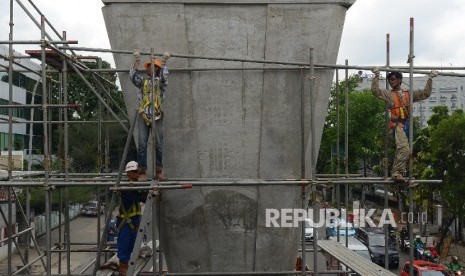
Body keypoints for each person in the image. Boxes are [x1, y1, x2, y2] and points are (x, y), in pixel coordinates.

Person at [371, 67, 438, 181]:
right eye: (389, 80)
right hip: (397, 125)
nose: (391, 82)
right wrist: (377, 76)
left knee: (407, 150)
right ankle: (397, 172)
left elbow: (425, 94)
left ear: (399, 80)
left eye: (393, 79)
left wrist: (430, 79)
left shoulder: (408, 94)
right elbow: (375, 91)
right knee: (404, 149)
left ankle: (400, 172)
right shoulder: (389, 94)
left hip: (406, 125)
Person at [129, 50, 170, 180]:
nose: (147, 68)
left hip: (157, 115)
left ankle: (159, 170)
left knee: (158, 143)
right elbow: (133, 77)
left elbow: (164, 76)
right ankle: (142, 172)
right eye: (148, 67)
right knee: (142, 143)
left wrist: (163, 61)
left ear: (156, 68)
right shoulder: (144, 82)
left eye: (150, 66)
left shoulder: (160, 82)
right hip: (144, 115)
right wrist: (137, 61)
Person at [116, 161, 148, 276]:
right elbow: (137, 198)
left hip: (135, 220)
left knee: (133, 243)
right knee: (124, 243)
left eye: (138, 171)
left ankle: (129, 260)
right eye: (135, 172)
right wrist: (146, 190)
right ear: (128, 173)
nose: (137, 174)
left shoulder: (136, 184)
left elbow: (143, 198)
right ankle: (123, 266)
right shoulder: (126, 187)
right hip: (126, 221)